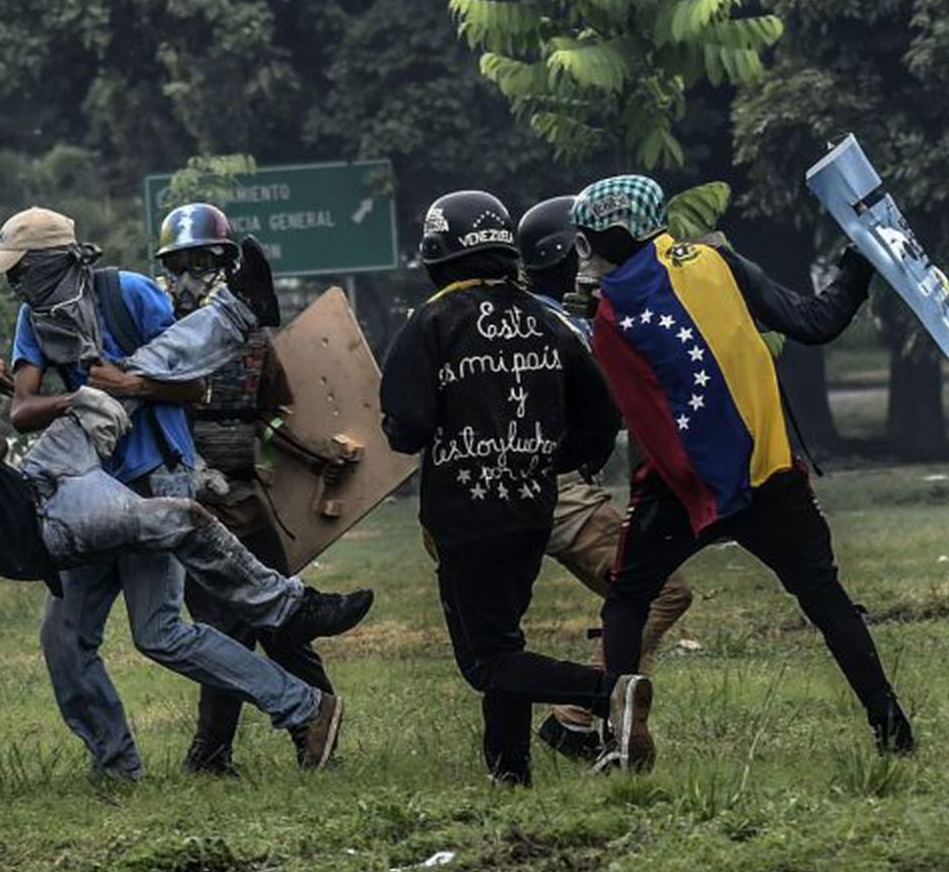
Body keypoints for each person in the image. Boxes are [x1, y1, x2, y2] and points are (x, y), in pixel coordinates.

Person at [0, 206, 351, 780]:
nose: (13, 282)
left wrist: (130, 385)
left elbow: (198, 385)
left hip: (157, 475)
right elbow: (22, 409)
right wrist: (74, 400)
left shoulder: (127, 294)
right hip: (89, 490)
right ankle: (117, 766)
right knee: (64, 638)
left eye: (19, 268)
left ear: (51, 261)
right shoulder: (36, 319)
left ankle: (304, 708)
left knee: (160, 632)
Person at [568, 175, 914, 755]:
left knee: (627, 601)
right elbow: (815, 321)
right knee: (826, 600)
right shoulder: (718, 261)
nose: (585, 255)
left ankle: (619, 743)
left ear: (617, 232)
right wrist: (861, 261)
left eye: (588, 241)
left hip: (675, 486)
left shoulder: (607, 310)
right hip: (767, 474)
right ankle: (893, 732)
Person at [379, 190, 652, 786]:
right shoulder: (546, 320)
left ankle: (610, 693)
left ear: (435, 256)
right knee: (505, 639)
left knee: (488, 661)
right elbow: (602, 417)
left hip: (464, 518)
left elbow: (408, 427)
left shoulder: (430, 323)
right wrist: (552, 461)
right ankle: (510, 775)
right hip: (533, 509)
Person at [514, 195, 696, 766]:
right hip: (558, 488)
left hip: (512, 489)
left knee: (625, 602)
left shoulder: (527, 314)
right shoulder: (569, 324)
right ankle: (578, 714)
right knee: (662, 591)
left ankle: (609, 723)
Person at [153, 203, 334, 777]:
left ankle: (319, 721)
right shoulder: (153, 333)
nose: (188, 280)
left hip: (244, 501)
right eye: (177, 266)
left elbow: (271, 412)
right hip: (190, 504)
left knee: (284, 619)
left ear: (226, 267)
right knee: (221, 629)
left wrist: (308, 453)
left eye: (201, 264)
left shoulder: (253, 338)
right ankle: (212, 753)